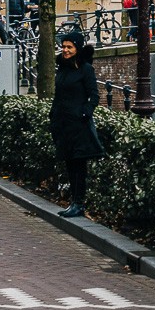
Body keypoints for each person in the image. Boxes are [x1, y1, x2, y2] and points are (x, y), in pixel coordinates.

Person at [50, 30, 103, 219]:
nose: (65, 50)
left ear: (77, 48)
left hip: (78, 125)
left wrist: (85, 111)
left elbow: (94, 95)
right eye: (63, 47)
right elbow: (59, 96)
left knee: (79, 165)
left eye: (69, 47)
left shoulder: (86, 69)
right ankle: (74, 201)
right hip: (63, 124)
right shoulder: (62, 69)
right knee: (70, 164)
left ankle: (79, 203)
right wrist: (53, 117)